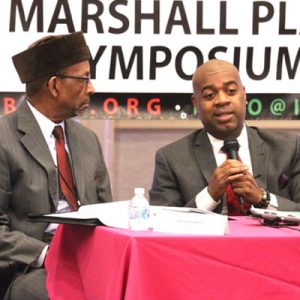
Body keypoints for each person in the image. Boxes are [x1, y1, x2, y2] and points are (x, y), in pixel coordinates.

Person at [0, 32, 112, 300]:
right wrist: (45, 255)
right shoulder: (3, 138)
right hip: (29, 266)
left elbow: (106, 212)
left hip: (89, 259)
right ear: (54, 85)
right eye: (84, 78)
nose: (92, 87)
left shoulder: (88, 140)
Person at [149, 59, 300, 214]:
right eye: (210, 95)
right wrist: (209, 195)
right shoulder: (170, 159)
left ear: (244, 95)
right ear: (196, 103)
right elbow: (161, 222)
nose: (222, 100)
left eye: (231, 91)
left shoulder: (289, 148)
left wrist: (262, 198)